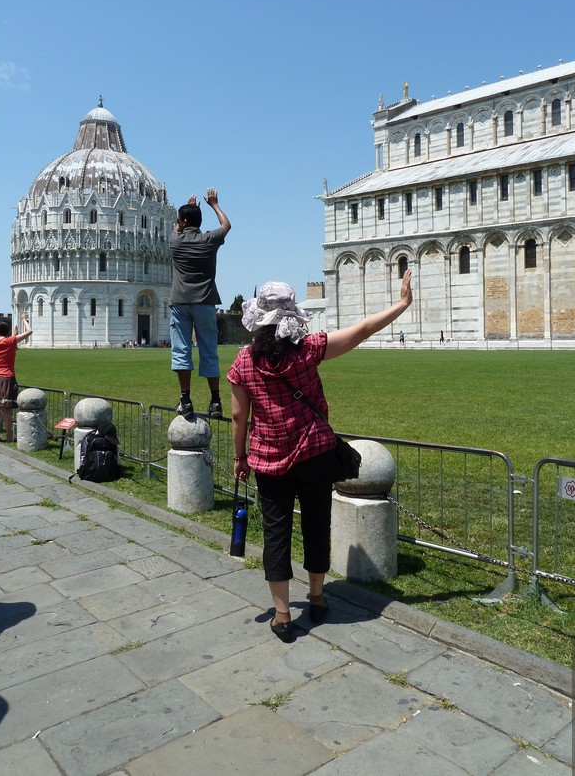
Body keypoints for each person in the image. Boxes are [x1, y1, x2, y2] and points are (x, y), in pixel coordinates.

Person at [228, 270, 413, 643]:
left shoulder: (244, 362)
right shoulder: (308, 350)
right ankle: (316, 597)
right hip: (314, 454)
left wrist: (239, 457)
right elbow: (362, 330)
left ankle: (282, 615)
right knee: (316, 525)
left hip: (268, 460)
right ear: (291, 316)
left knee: (276, 534)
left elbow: (238, 416)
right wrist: (402, 304)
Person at [170, 187, 231, 418]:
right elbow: (227, 225)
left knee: (181, 350)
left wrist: (189, 209)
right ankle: (215, 401)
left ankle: (185, 400)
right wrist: (213, 205)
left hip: (179, 302)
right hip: (205, 301)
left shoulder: (175, 241)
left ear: (183, 222)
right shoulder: (209, 240)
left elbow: (176, 229)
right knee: (208, 351)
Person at [0, 313, 33, 442]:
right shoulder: (10, 341)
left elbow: (4, 343)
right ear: (8, 331)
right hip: (7, 376)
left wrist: (12, 336)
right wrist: (23, 319)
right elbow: (29, 331)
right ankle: (9, 436)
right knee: (6, 409)